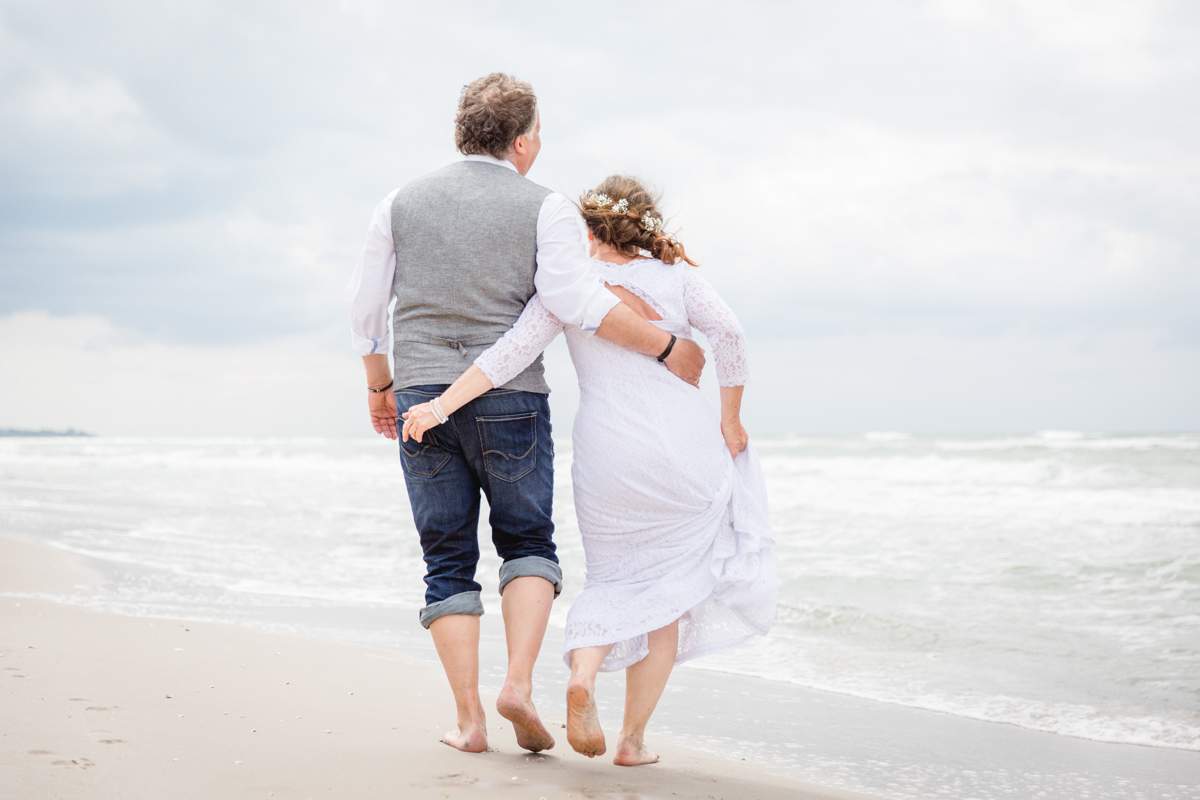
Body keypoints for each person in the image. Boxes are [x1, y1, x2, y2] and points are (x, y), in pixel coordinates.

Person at [346, 74, 705, 755]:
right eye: (538, 133)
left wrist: (378, 386)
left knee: (446, 559)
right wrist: (665, 347)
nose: (540, 145)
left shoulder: (398, 203)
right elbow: (577, 302)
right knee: (527, 543)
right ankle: (516, 683)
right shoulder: (546, 209)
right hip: (511, 401)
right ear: (519, 140)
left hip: (422, 392)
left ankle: (471, 722)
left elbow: (365, 308)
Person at [402, 175, 776, 766]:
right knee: (668, 592)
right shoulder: (676, 277)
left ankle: (584, 673)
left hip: (608, 453)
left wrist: (440, 405)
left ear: (588, 227)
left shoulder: (569, 286)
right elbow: (729, 335)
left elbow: (508, 355)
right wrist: (730, 419)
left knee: (612, 581)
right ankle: (631, 742)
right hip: (683, 445)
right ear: (646, 225)